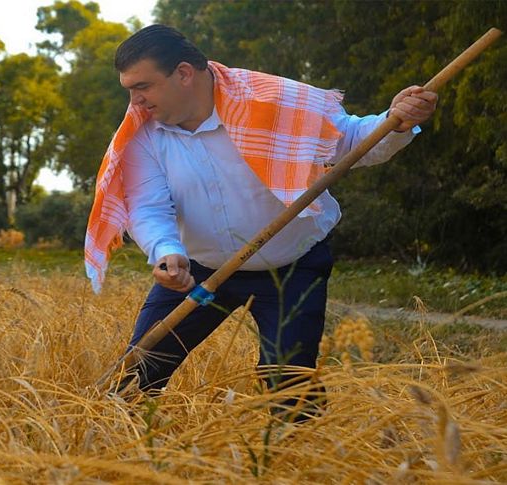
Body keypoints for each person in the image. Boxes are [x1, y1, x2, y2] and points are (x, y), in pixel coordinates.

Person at [84, 25, 437, 415]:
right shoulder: (143, 133)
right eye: (130, 89)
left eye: (143, 86)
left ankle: (294, 460)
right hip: (198, 272)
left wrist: (396, 119)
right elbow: (148, 205)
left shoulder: (271, 99)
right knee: (139, 371)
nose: (135, 100)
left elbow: (351, 140)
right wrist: (168, 253)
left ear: (184, 73)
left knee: (288, 387)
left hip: (291, 267)